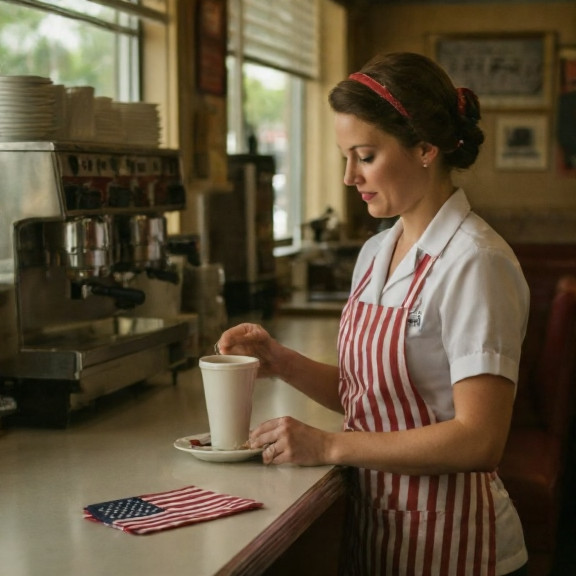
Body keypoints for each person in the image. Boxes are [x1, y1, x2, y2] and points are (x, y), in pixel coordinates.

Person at [218, 52, 530, 576]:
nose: (348, 176)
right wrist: (281, 361)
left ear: (426, 148)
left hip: (458, 544)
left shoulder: (475, 261)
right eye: (346, 156)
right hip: (382, 532)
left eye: (364, 156)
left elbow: (480, 438)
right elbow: (376, 398)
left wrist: (328, 444)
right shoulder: (378, 251)